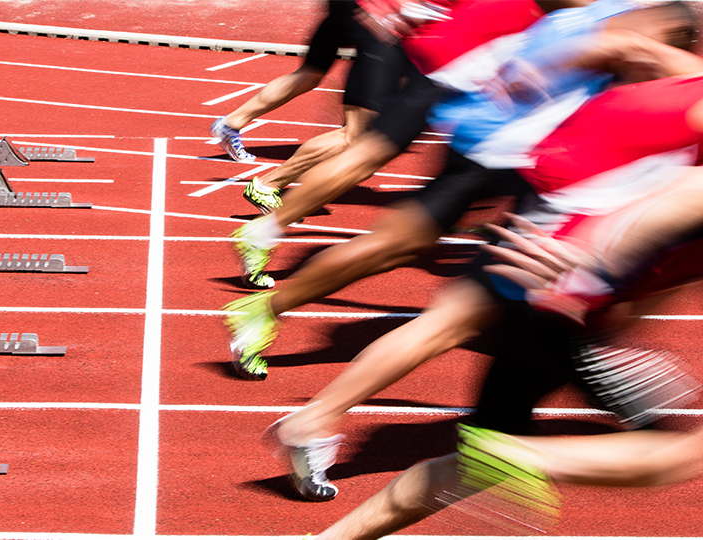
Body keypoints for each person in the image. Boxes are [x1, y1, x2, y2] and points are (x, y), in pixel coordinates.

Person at [266, 67, 703, 503]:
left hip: (565, 203)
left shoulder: (667, 75)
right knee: (469, 340)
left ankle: (316, 421)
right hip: (574, 228)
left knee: (454, 328)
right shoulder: (662, 65)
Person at [224, 0, 701, 382]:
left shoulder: (605, 15)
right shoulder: (637, 21)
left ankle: (267, 304)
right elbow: (624, 51)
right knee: (433, 271)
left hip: (507, 147)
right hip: (513, 154)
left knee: (400, 248)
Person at [310, 221, 703, 540]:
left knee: (468, 467)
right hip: (574, 314)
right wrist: (597, 263)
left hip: (552, 306)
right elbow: (670, 202)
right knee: (677, 452)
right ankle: (514, 455)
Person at [231, 0, 554, 288]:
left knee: (371, 148)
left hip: (444, 44)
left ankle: (264, 230)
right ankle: (269, 197)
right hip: (463, 52)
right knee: (361, 142)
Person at [210, 0, 404, 165]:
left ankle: (231, 123)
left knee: (309, 73)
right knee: (394, 67)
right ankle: (342, 144)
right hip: (370, 13)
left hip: (343, 7)